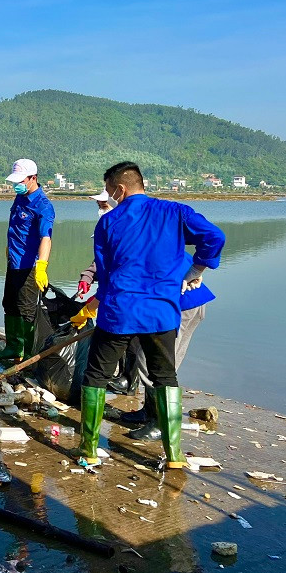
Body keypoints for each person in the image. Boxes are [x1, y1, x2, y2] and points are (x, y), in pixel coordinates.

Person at [76, 161, 225, 468]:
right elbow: (214, 236)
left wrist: (98, 300)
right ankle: (174, 456)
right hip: (161, 313)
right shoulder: (176, 213)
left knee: (96, 376)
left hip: (120, 311)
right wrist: (197, 268)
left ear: (120, 188)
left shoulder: (108, 222)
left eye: (108, 190)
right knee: (164, 377)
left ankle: (89, 450)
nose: (109, 197)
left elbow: (104, 270)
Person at [118, 252, 216, 440]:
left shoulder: (131, 246)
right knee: (162, 360)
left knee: (153, 362)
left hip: (181, 305)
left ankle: (160, 423)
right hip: (188, 301)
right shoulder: (149, 235)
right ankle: (150, 411)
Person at [0, 159, 54, 361]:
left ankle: (30, 354)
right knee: (9, 304)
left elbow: (46, 237)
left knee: (27, 310)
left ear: (33, 178)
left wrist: (42, 266)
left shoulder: (43, 206)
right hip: (13, 262)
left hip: (29, 267)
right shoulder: (20, 198)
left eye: (21, 180)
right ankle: (13, 347)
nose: (16, 185)